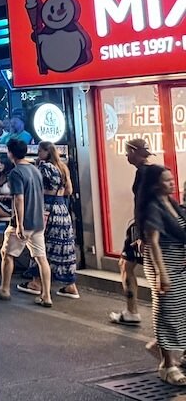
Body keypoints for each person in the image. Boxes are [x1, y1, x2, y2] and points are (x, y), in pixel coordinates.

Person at [135, 164, 186, 385]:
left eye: (172, 179)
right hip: (163, 263)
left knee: (182, 311)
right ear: (156, 185)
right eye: (167, 180)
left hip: (179, 263)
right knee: (167, 311)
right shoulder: (154, 207)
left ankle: (176, 353)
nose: (172, 183)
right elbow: (153, 243)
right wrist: (161, 274)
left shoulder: (173, 204)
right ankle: (167, 364)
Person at [0, 139, 52, 306]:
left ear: (10, 153)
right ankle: (47, 296)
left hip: (23, 222)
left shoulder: (15, 173)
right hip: (38, 221)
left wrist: (20, 224)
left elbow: (19, 199)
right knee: (41, 258)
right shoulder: (35, 169)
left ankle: (4, 289)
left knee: (7, 255)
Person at [19, 142, 79, 299]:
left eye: (40, 150)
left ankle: (36, 282)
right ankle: (70, 285)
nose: (38, 153)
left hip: (46, 209)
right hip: (61, 210)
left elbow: (34, 187)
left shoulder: (44, 167)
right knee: (64, 247)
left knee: (40, 244)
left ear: (47, 152)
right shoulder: (63, 167)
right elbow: (69, 190)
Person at [111, 138, 153, 325]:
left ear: (134, 152)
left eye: (128, 152)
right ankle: (131, 310)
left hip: (143, 227)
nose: (126, 156)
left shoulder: (143, 173)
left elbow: (142, 205)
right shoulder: (150, 172)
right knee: (127, 264)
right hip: (145, 226)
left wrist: (141, 235)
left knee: (128, 266)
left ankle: (132, 311)